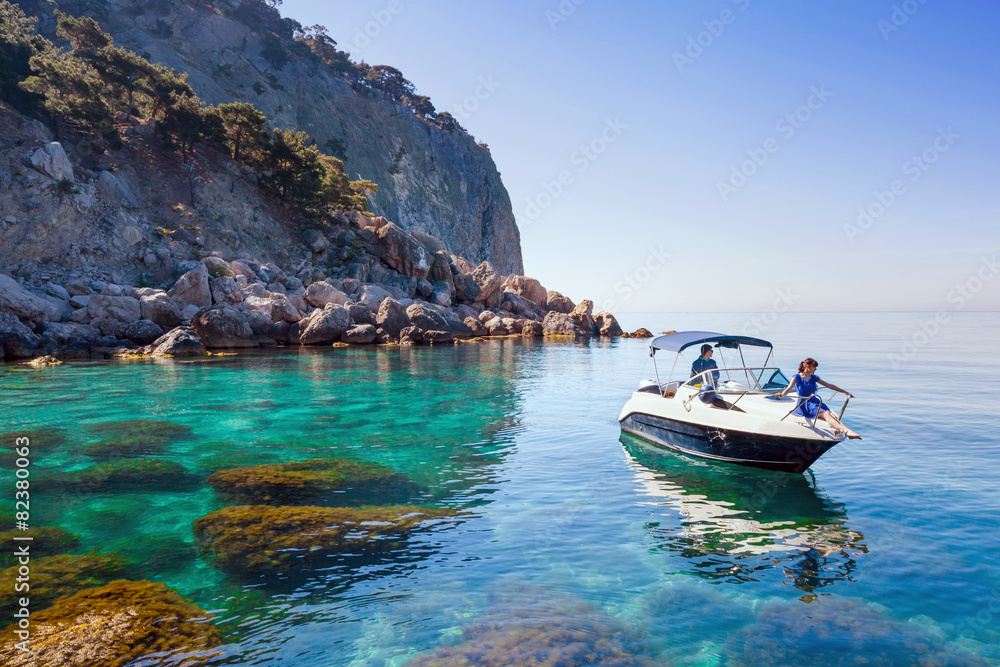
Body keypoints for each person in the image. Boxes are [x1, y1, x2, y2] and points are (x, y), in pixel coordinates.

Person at [778, 358, 861, 439]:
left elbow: (829, 385)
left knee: (833, 415)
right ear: (807, 366)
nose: (815, 369)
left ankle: (847, 431)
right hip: (805, 404)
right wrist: (781, 394)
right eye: (814, 367)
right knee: (826, 414)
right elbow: (788, 389)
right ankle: (846, 431)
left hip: (815, 401)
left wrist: (844, 392)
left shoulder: (814, 377)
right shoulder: (797, 377)